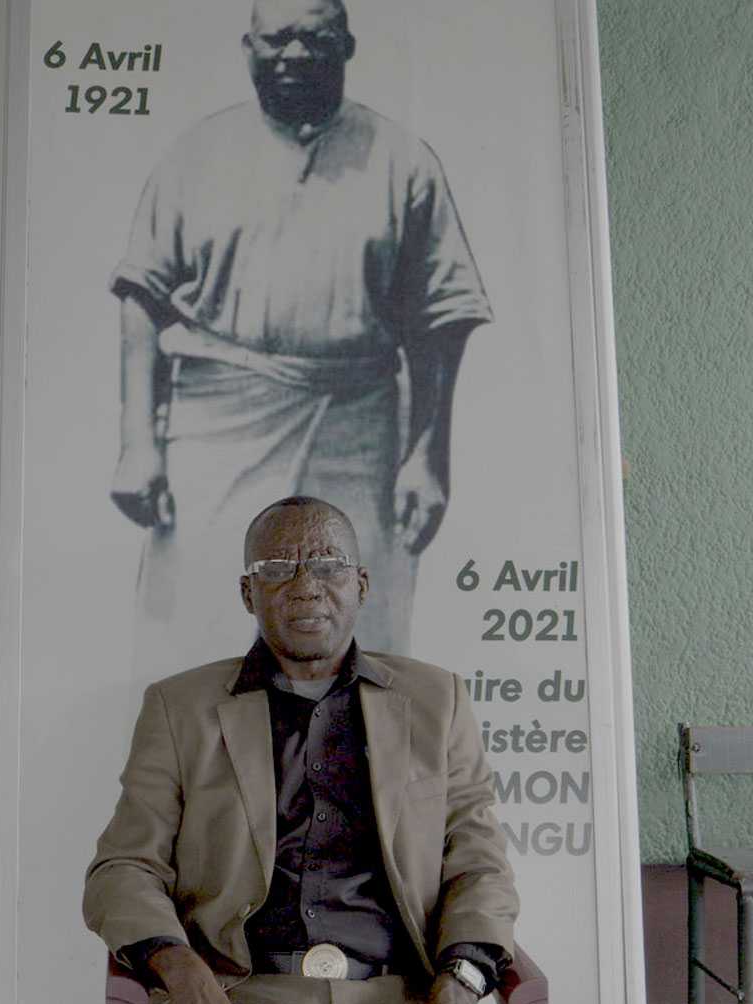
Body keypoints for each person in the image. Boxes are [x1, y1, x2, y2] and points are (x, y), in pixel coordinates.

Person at [83, 497, 585, 1004]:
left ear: (362, 584)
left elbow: (479, 864)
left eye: (327, 564)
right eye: (278, 568)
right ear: (247, 591)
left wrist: (463, 978)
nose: (306, 584)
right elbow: (123, 868)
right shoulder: (182, 709)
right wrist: (181, 968)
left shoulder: (435, 702)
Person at [108, 0, 492, 681]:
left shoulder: (402, 161)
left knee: (361, 633)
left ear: (346, 46)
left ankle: (348, 780)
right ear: (248, 47)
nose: (292, 54)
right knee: (197, 630)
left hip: (358, 420)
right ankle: (207, 784)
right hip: (216, 420)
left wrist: (430, 456)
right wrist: (138, 443)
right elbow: (141, 298)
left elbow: (441, 318)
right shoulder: (197, 154)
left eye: (313, 38)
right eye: (276, 38)